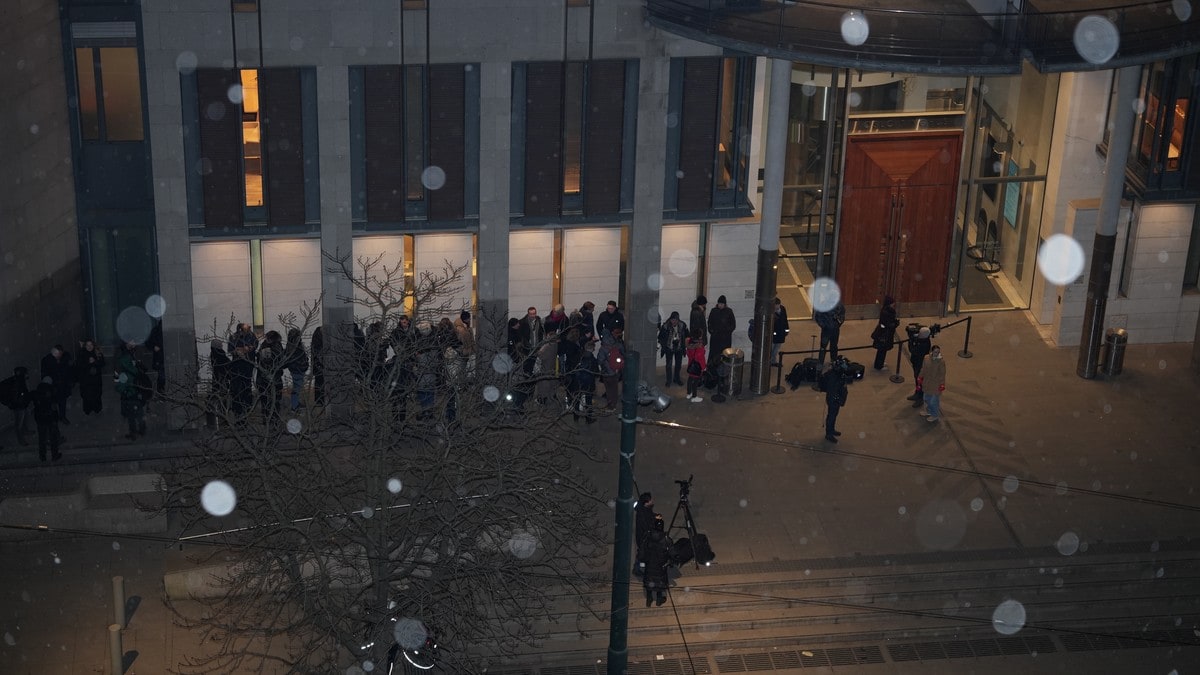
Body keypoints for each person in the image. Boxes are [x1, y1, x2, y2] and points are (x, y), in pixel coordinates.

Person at [114, 342, 148, 440]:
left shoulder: (123, 362)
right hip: (136, 390)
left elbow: (118, 382)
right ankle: (141, 429)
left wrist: (121, 389)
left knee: (131, 415)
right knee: (138, 412)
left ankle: (134, 432)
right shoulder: (133, 359)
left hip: (128, 392)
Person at [639, 518, 671, 607]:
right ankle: (659, 599)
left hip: (650, 564)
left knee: (649, 580)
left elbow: (642, 550)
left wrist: (642, 561)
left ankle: (649, 599)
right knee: (659, 582)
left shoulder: (648, 536)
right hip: (661, 566)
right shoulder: (666, 539)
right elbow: (671, 551)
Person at [228, 323, 258, 418]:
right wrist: (238, 351)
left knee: (247, 385)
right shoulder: (233, 337)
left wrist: (247, 349)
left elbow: (255, 345)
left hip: (248, 364)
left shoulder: (252, 336)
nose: (247, 330)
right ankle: (237, 408)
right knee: (236, 387)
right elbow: (230, 349)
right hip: (237, 365)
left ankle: (247, 407)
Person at [257, 330, 285, 424]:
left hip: (264, 378)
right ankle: (272, 419)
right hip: (271, 378)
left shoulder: (264, 346)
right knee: (273, 399)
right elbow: (276, 361)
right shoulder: (274, 347)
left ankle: (268, 419)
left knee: (267, 400)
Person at [40, 345, 73, 425]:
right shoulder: (47, 360)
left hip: (62, 385)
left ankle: (62, 417)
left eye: (60, 354)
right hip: (53, 386)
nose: (59, 356)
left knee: (62, 402)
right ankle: (54, 418)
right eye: (58, 354)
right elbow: (45, 374)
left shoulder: (64, 358)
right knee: (53, 404)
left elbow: (68, 370)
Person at [819, 357, 850, 444]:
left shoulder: (837, 375)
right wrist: (838, 399)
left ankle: (831, 430)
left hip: (836, 399)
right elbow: (832, 390)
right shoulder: (833, 377)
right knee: (831, 416)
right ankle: (829, 434)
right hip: (833, 400)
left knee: (834, 415)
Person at [32, 376, 62, 462]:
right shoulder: (51, 392)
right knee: (53, 438)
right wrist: (55, 419)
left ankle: (42, 456)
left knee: (42, 438)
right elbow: (54, 407)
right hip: (50, 418)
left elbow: (36, 407)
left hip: (40, 419)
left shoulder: (37, 393)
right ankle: (54, 455)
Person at [0, 367, 32, 446]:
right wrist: (9, 403)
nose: (27, 374)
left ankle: (25, 431)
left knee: (25, 418)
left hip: (23, 405)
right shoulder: (16, 382)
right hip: (19, 406)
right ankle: (21, 440)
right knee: (18, 424)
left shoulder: (20, 381)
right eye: (26, 373)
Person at [75, 339, 107, 415]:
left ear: (93, 345)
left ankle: (97, 409)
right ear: (85, 346)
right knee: (87, 395)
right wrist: (88, 362)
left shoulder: (97, 353)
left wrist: (95, 361)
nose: (89, 347)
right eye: (87, 345)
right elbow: (78, 365)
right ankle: (88, 409)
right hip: (86, 379)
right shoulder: (81, 353)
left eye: (91, 345)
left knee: (97, 394)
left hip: (96, 379)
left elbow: (102, 363)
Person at [657, 311, 688, 388]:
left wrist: (685, 343)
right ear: (670, 319)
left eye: (675, 320)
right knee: (668, 365)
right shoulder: (666, 326)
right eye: (672, 320)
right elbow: (660, 337)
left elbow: (687, 335)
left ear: (678, 320)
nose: (674, 321)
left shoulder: (682, 325)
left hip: (679, 348)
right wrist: (663, 345)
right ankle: (669, 380)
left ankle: (677, 379)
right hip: (669, 348)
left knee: (678, 365)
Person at [598, 327, 626, 409]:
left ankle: (611, 405)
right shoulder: (617, 343)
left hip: (606, 372)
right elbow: (623, 354)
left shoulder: (603, 348)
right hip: (616, 371)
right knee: (614, 389)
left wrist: (605, 366)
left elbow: (600, 360)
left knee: (608, 389)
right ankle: (614, 403)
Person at [706, 295, 736, 370]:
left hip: (725, 338)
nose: (720, 305)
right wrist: (712, 331)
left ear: (725, 304)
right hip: (715, 338)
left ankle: (724, 370)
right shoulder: (714, 311)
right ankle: (712, 369)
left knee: (724, 354)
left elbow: (733, 324)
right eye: (719, 303)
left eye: (722, 304)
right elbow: (709, 322)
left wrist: (727, 331)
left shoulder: (729, 311)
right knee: (714, 354)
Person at [871, 296, 900, 371]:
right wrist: (895, 324)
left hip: (883, 332)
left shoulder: (885, 310)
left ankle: (879, 363)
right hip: (885, 334)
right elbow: (888, 324)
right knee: (882, 350)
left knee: (881, 350)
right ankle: (879, 365)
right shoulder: (887, 312)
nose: (894, 305)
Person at [208, 339, 232, 427]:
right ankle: (223, 420)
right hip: (222, 379)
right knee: (223, 400)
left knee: (219, 399)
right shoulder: (220, 354)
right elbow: (225, 366)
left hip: (217, 379)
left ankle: (221, 419)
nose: (222, 346)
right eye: (220, 344)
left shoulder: (213, 354)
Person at [920, 344, 947, 422]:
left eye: (938, 352)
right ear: (931, 352)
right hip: (927, 382)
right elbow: (923, 368)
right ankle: (928, 411)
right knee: (926, 398)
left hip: (936, 384)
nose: (937, 354)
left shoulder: (941, 362)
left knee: (933, 401)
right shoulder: (926, 358)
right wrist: (920, 377)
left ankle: (935, 415)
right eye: (935, 352)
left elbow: (942, 374)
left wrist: (942, 384)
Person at [907, 326, 932, 408]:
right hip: (916, 363)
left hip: (920, 365)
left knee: (920, 382)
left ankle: (920, 398)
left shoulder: (924, 344)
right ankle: (917, 393)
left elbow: (912, 350)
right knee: (917, 380)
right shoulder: (923, 340)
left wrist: (910, 341)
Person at [813, 299, 845, 365]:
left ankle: (833, 361)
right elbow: (817, 316)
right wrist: (824, 326)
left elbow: (842, 315)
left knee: (834, 346)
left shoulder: (839, 305)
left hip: (835, 330)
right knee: (823, 347)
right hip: (826, 330)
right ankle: (820, 362)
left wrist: (838, 324)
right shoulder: (824, 305)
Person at [284, 328, 309, 412]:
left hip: (297, 369)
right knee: (297, 388)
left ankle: (295, 404)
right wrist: (303, 364)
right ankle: (294, 406)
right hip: (297, 369)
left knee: (297, 387)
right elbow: (297, 358)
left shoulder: (291, 345)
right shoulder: (294, 346)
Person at [633, 492, 657, 576]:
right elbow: (646, 525)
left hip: (644, 536)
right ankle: (637, 569)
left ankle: (642, 567)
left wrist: (655, 516)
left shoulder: (645, 509)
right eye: (650, 500)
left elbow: (650, 515)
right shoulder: (642, 513)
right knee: (642, 553)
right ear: (646, 503)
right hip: (643, 537)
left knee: (643, 552)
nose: (652, 501)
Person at [684, 327, 706, 403]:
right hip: (697, 366)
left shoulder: (689, 342)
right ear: (699, 336)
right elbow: (700, 356)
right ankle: (694, 396)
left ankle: (688, 393)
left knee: (690, 379)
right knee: (695, 382)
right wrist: (703, 367)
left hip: (691, 364)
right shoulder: (699, 345)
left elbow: (688, 353)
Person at [771, 297, 791, 365]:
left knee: (776, 348)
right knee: (772, 348)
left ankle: (773, 361)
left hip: (781, 333)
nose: (777, 308)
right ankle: (771, 361)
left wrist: (787, 330)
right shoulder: (771, 312)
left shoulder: (782, 308)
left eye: (778, 306)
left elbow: (785, 319)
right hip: (774, 334)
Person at [310, 326, 326, 406]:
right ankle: (320, 400)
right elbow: (318, 354)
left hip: (317, 365)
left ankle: (319, 400)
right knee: (320, 382)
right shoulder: (319, 342)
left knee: (319, 382)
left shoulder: (315, 341)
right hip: (319, 365)